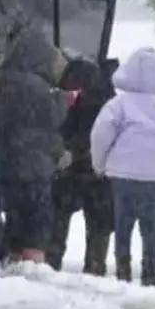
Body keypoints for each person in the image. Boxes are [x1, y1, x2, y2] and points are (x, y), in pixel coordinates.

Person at [91, 47, 155, 286]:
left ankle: (123, 271)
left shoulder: (118, 104)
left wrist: (99, 164)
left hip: (121, 174)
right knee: (149, 227)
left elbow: (101, 134)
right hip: (152, 177)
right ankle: (148, 273)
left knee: (122, 225)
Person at [0, 26, 69, 263]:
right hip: (36, 164)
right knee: (37, 220)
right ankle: (33, 264)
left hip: (5, 162)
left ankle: (12, 259)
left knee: (13, 216)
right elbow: (52, 125)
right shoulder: (42, 89)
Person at [47, 57, 117, 275]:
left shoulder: (94, 104)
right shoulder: (108, 103)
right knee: (99, 225)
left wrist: (68, 151)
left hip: (84, 171)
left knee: (64, 216)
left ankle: (54, 261)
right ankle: (95, 267)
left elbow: (80, 133)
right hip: (97, 173)